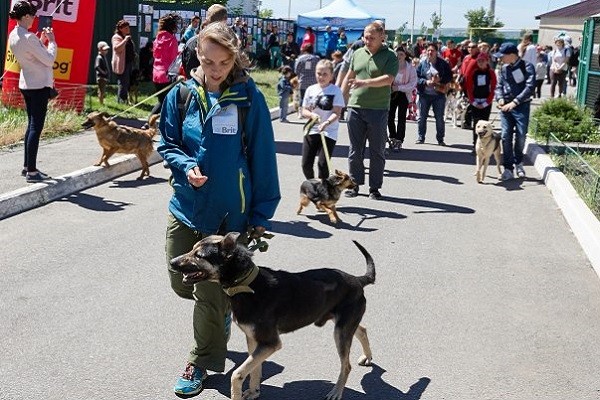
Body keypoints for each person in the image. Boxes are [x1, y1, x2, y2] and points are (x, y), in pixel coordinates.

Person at [157, 22, 281, 396]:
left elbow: (263, 157)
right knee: (180, 281)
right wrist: (184, 165)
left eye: (224, 62)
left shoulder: (248, 97)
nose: (216, 69)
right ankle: (222, 316)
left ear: (234, 59)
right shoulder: (180, 95)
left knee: (208, 295)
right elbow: (167, 141)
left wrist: (260, 216)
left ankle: (201, 359)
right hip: (186, 206)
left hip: (228, 216)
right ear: (198, 54)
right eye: (210, 61)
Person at [340, 22, 398, 199]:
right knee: (355, 150)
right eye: (365, 37)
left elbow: (388, 79)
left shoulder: (390, 56)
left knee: (376, 150)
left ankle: (375, 187)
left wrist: (364, 83)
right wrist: (340, 102)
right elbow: (349, 77)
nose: (367, 40)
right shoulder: (357, 53)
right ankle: (354, 184)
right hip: (355, 107)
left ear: (382, 38)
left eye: (372, 38)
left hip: (378, 109)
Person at [8, 0, 57, 183]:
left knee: (31, 126)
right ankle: (32, 171)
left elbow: (32, 55)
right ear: (26, 16)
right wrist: (51, 42)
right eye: (33, 15)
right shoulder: (29, 37)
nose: (35, 19)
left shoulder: (15, 34)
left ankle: (27, 166)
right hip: (38, 86)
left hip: (26, 83)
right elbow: (49, 60)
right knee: (36, 128)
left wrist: (40, 42)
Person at [493, 42, 536, 181]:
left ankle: (519, 163)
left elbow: (529, 87)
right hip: (505, 107)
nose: (500, 59)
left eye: (502, 56)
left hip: (521, 106)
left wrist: (515, 102)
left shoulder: (527, 67)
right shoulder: (504, 68)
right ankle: (508, 168)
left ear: (511, 55)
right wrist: (499, 99)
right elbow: (499, 86)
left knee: (521, 135)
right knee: (505, 136)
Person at [301, 59, 345, 179]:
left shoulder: (335, 91)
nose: (321, 77)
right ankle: (313, 186)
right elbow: (304, 110)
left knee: (322, 164)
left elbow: (337, 112)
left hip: (328, 131)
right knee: (306, 164)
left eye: (325, 74)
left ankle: (324, 190)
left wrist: (327, 122)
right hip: (312, 129)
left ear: (331, 75)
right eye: (318, 73)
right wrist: (311, 115)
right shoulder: (311, 89)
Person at [415, 42, 452, 145]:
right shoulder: (422, 64)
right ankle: (421, 137)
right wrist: (426, 82)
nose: (430, 52)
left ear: (437, 52)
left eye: (432, 50)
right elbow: (416, 78)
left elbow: (449, 76)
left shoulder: (443, 64)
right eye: (428, 50)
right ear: (426, 52)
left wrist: (440, 81)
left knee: (439, 118)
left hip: (438, 95)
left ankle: (440, 139)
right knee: (422, 117)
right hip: (424, 94)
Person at [181, 4, 228, 78]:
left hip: (193, 85)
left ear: (207, 19)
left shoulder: (191, 43)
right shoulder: (229, 44)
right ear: (225, 20)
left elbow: (186, 68)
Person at [463, 52, 497, 153]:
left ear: (487, 61)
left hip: (486, 101)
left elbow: (493, 87)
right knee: (477, 124)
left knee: (485, 125)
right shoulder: (474, 72)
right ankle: (475, 145)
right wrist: (473, 101)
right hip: (475, 101)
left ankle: (485, 145)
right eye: (479, 61)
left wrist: (487, 102)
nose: (481, 63)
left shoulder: (491, 73)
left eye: (483, 61)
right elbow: (469, 87)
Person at [388, 46, 417, 152]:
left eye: (401, 54)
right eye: (397, 54)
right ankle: (392, 136)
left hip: (404, 94)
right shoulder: (391, 66)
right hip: (391, 93)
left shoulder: (410, 68)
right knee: (389, 117)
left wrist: (399, 88)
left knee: (401, 117)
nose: (399, 56)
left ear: (405, 56)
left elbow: (412, 83)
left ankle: (399, 140)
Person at [151, 13, 180, 116]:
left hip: (156, 73)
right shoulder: (172, 40)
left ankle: (151, 122)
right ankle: (150, 122)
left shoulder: (157, 39)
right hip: (167, 74)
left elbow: (155, 54)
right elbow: (173, 58)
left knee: (161, 100)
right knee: (166, 102)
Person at [112, 19, 136, 104]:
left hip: (129, 63)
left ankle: (125, 100)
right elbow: (117, 49)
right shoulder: (117, 37)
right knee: (123, 82)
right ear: (120, 29)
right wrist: (125, 40)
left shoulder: (127, 36)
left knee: (127, 82)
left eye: (128, 27)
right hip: (122, 64)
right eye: (126, 28)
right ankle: (121, 101)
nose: (128, 29)